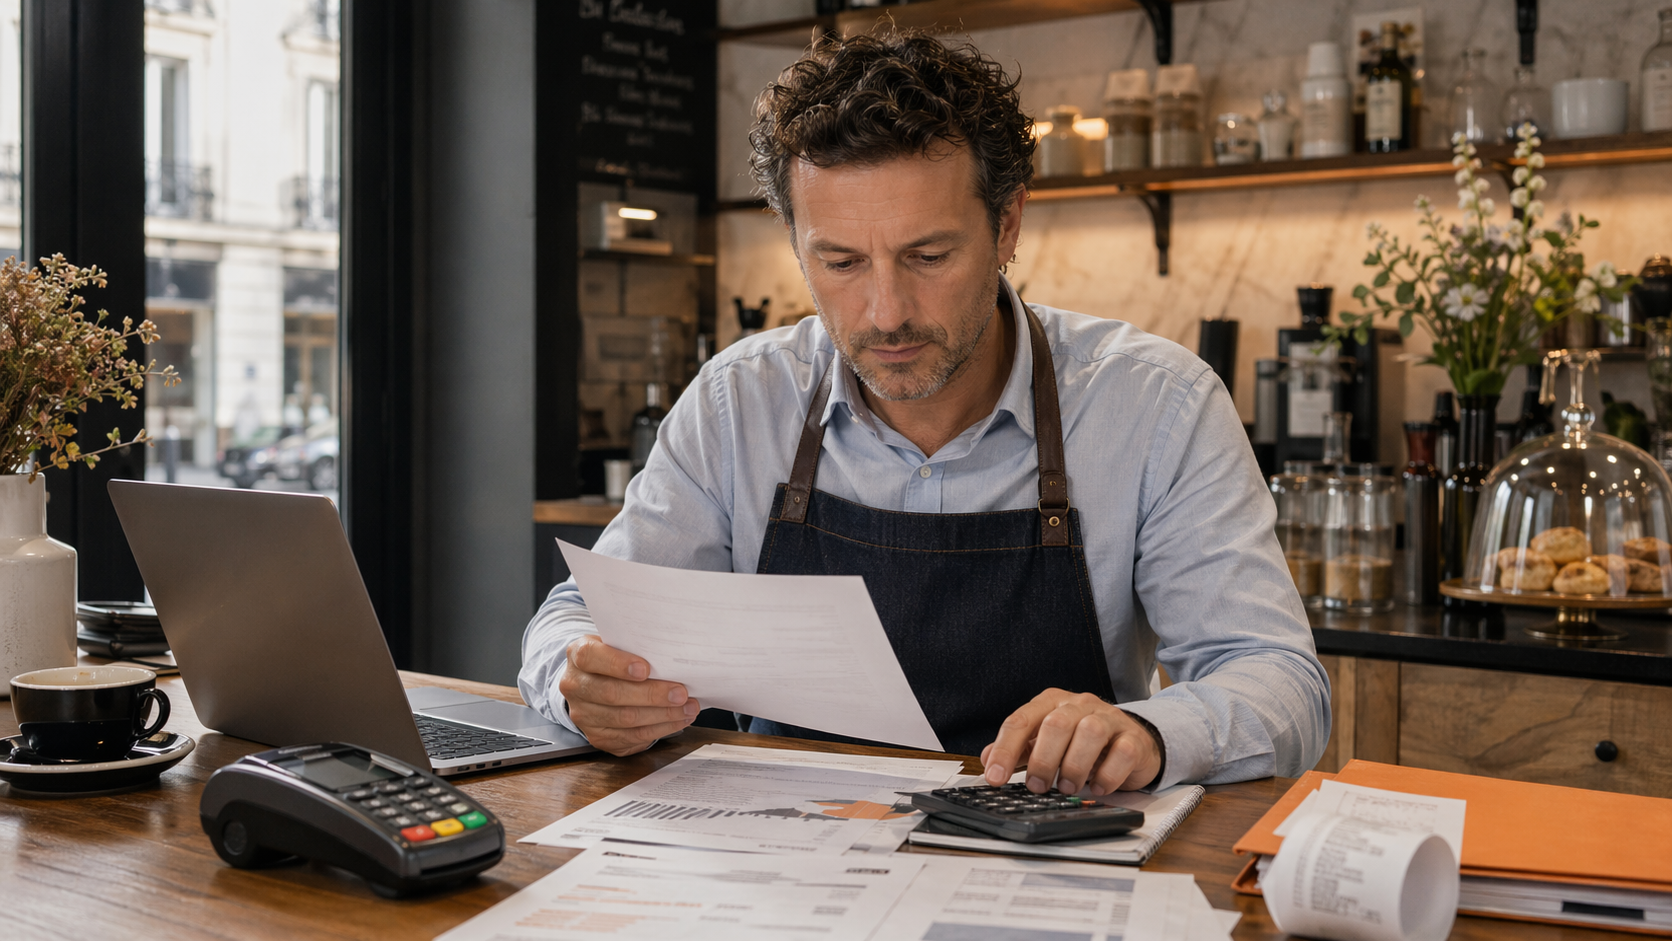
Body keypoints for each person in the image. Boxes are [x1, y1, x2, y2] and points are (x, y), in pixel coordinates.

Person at [521, 32, 1330, 796]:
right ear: (797, 244)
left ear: (1007, 224)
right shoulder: (740, 400)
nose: (885, 311)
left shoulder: (1157, 406)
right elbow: (577, 618)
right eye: (839, 262)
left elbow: (1278, 676)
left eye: (928, 256)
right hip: (780, 854)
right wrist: (577, 678)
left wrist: (1151, 734)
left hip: (1050, 846)